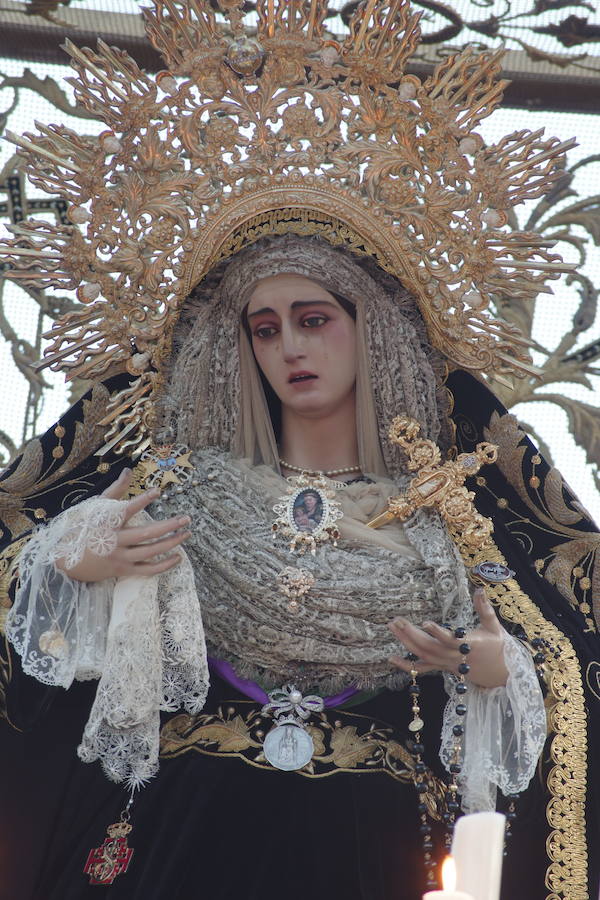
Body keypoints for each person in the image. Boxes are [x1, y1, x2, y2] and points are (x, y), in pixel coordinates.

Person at [0, 3, 599, 898]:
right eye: (266, 327)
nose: (290, 348)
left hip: (375, 847)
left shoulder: (448, 515)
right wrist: (71, 564)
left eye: (315, 320)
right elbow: (42, 635)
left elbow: (563, 664)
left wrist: (492, 670)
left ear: (374, 334)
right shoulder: (173, 490)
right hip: (183, 836)